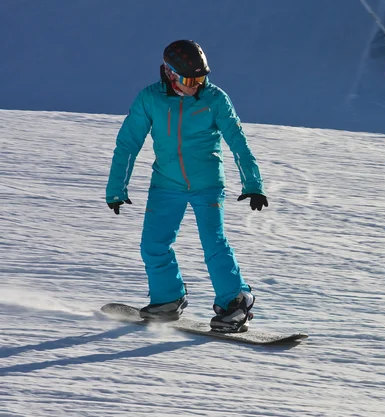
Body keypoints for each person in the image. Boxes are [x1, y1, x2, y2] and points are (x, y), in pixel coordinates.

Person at [105, 40, 268, 332]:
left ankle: (236, 302)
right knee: (153, 246)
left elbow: (238, 141)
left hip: (207, 184)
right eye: (191, 79)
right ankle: (168, 299)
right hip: (166, 184)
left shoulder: (215, 99)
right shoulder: (150, 99)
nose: (198, 85)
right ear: (170, 73)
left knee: (214, 244)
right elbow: (128, 143)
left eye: (202, 78)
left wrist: (253, 184)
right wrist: (117, 187)